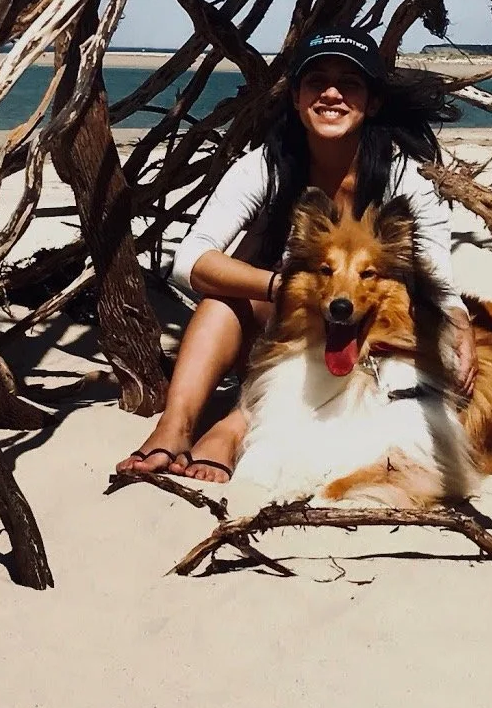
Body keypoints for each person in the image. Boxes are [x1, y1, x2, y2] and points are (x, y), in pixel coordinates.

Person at [116, 26, 459, 484]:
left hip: (365, 338)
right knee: (222, 299)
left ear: (372, 102)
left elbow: (439, 279)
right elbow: (191, 259)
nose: (332, 94)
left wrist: (460, 327)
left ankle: (236, 425)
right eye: (317, 82)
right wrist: (280, 287)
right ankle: (174, 427)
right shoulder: (265, 165)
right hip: (282, 324)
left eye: (350, 83)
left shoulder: (406, 179)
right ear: (296, 96)